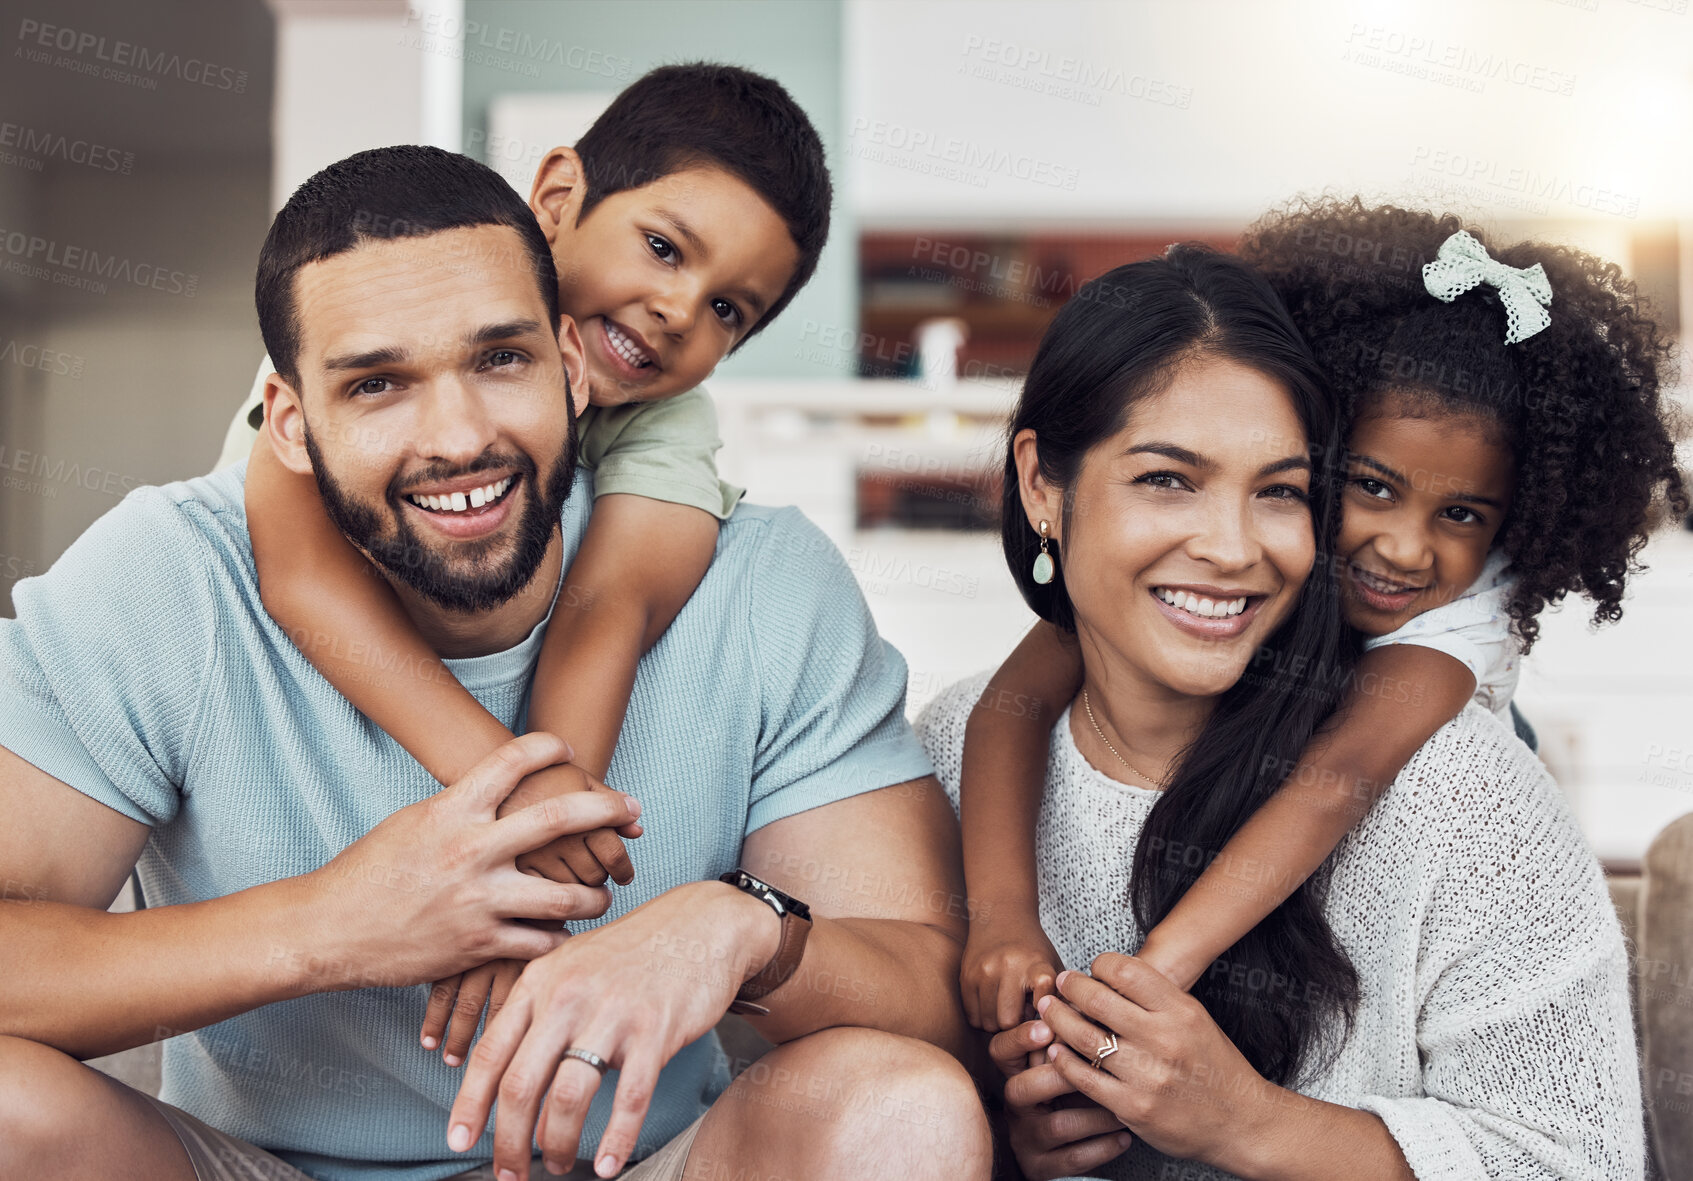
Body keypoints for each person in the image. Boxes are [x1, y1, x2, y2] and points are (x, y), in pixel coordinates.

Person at [0, 146, 990, 1181]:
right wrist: (337, 923)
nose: (459, 435)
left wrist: (742, 930)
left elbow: (930, 995)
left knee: (901, 1110)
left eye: (500, 359)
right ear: (289, 423)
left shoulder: (762, 583)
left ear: (570, 363)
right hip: (257, 1165)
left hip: (639, 1166)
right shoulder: (171, 574)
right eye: (378, 383)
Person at [916, 245, 1642, 1179]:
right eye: (1167, 477)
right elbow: (1006, 707)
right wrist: (1008, 1133)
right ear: (1041, 484)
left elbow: (1582, 1162)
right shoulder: (949, 741)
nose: (1227, 547)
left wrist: (1243, 1118)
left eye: (1279, 490)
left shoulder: (1458, 778)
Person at [222, 63, 834, 1059]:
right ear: (558, 198)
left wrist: (533, 869)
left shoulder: (668, 425)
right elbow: (302, 578)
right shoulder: (374, 319)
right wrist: (511, 804)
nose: (681, 307)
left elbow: (611, 607)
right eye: (664, 247)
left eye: (732, 310)